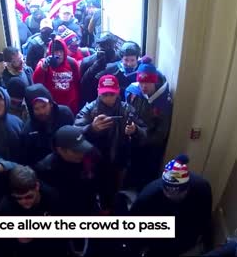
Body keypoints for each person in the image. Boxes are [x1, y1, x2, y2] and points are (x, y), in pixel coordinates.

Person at [74, 75, 147, 212]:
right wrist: (91, 128)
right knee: (92, 192)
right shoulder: (89, 109)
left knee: (114, 192)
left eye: (111, 94)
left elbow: (144, 132)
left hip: (119, 160)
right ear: (98, 91)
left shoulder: (127, 109)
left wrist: (135, 130)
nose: (108, 98)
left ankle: (110, 211)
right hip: (93, 162)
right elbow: (74, 133)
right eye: (104, 94)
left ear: (118, 91)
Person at [130, 155, 213, 256]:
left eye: (177, 192)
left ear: (187, 187)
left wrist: (208, 245)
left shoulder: (201, 189)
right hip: (157, 240)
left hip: (185, 237)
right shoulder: (148, 197)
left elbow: (206, 219)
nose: (171, 195)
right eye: (167, 190)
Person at [0, 165, 67, 257]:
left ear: (37, 186)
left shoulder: (52, 197)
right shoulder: (6, 206)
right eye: (18, 198)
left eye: (29, 196)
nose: (24, 202)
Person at [124, 56, 173, 189]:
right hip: (133, 138)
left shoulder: (163, 103)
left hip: (150, 144)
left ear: (155, 82)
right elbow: (128, 110)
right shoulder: (132, 91)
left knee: (146, 173)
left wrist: (141, 136)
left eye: (148, 83)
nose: (143, 87)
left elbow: (161, 133)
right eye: (141, 82)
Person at [33, 125, 100, 216]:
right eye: (76, 151)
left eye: (83, 148)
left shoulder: (90, 157)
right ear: (60, 150)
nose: (82, 153)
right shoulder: (45, 168)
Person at [20, 83, 74, 166]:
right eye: (36, 109)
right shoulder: (28, 131)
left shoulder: (65, 114)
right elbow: (28, 160)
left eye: (44, 106)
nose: (42, 112)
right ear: (31, 110)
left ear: (51, 103)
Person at [32, 36, 81, 114]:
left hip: (71, 106)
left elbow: (77, 83)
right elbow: (36, 82)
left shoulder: (72, 63)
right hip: (52, 106)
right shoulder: (44, 63)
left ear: (64, 51)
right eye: (55, 51)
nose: (59, 54)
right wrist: (43, 67)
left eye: (61, 51)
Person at [79, 32, 120, 109]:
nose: (107, 48)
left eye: (110, 45)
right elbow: (83, 88)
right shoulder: (87, 62)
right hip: (95, 104)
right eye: (103, 45)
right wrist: (93, 69)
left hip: (116, 103)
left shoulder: (120, 60)